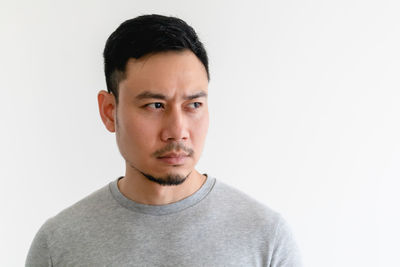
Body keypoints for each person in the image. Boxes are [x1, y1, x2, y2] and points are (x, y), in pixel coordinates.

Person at [26, 14, 302, 266]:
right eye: (156, 105)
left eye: (193, 105)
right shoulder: (59, 245)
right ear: (109, 112)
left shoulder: (266, 239)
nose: (177, 131)